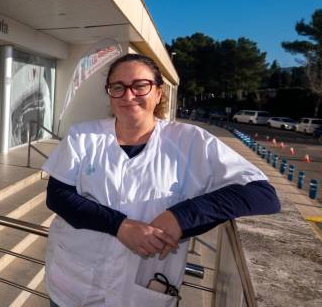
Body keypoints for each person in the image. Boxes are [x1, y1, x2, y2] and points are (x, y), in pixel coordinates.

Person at [43, 54, 280, 307]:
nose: (128, 95)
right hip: (73, 287)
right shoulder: (84, 135)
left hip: (142, 295)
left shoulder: (192, 142)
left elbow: (262, 194)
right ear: (109, 93)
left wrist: (181, 217)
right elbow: (58, 196)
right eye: (118, 87)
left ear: (158, 92)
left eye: (140, 85)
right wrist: (120, 226)